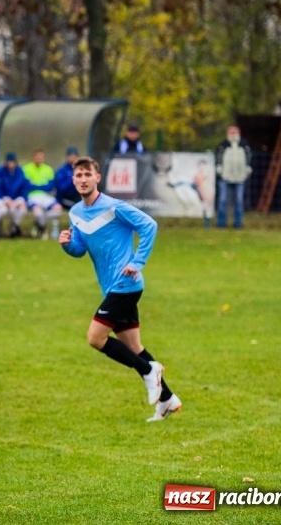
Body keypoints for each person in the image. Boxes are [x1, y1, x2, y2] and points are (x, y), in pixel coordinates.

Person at [58, 157, 181, 422]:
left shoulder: (115, 207)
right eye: (78, 175)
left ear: (97, 178)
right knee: (134, 346)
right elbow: (81, 249)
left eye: (87, 174)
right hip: (110, 288)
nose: (82, 179)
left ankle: (150, 370)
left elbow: (150, 225)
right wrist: (68, 244)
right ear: (73, 180)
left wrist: (137, 262)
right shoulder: (76, 213)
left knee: (95, 338)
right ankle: (168, 400)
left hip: (126, 285)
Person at [215, 125, 252, 229]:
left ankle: (238, 223)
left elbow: (249, 157)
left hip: (240, 178)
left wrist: (247, 168)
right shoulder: (222, 146)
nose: (233, 134)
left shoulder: (244, 145)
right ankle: (221, 223)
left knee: (239, 201)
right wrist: (219, 168)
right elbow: (218, 157)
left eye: (235, 132)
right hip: (225, 177)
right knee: (222, 200)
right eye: (231, 132)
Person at [23, 147, 63, 239]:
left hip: (45, 196)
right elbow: (27, 186)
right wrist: (42, 185)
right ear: (33, 158)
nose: (39, 159)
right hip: (32, 196)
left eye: (41, 157)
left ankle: (39, 223)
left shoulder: (48, 169)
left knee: (58, 209)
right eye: (37, 157)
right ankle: (42, 228)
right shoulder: (26, 169)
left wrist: (35, 184)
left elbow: (51, 187)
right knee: (38, 212)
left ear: (43, 158)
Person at [0, 152, 29, 237]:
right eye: (9, 162)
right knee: (11, 209)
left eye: (12, 162)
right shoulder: (2, 172)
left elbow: (23, 188)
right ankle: (14, 229)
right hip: (6, 197)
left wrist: (24, 199)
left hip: (17, 198)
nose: (11, 164)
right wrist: (4, 199)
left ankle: (14, 226)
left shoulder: (20, 172)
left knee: (22, 208)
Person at [53, 147, 81, 211]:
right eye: (71, 156)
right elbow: (61, 188)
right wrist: (72, 179)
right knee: (78, 207)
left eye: (75, 156)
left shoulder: (80, 169)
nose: (73, 158)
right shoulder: (62, 170)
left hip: (77, 197)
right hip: (64, 198)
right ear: (67, 157)